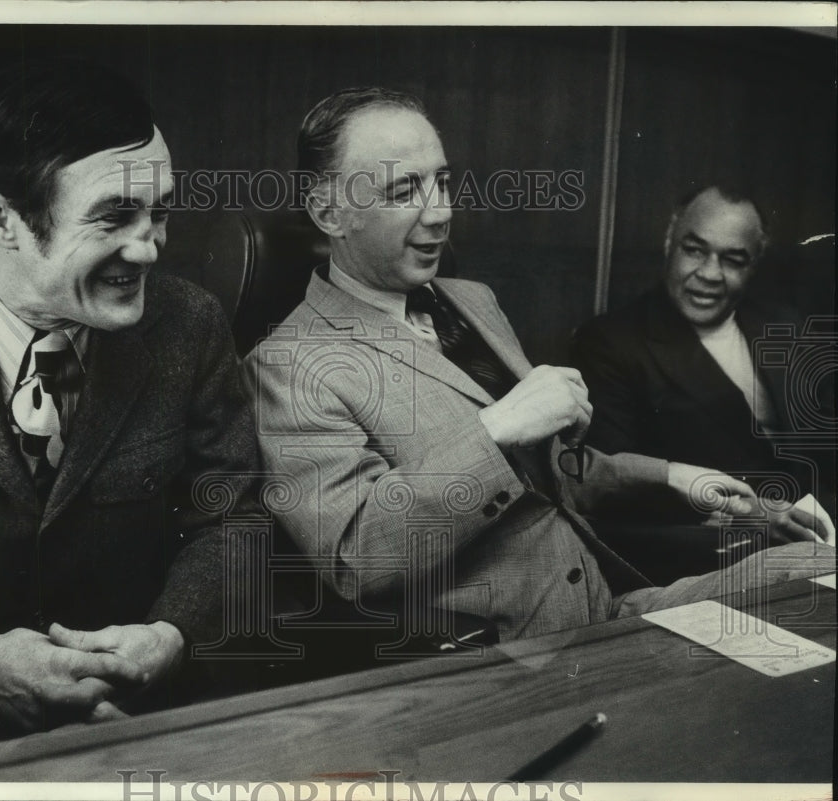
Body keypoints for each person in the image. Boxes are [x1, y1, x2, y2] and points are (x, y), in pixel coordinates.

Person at [243, 88, 834, 644]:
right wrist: (496, 428)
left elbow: (553, 473)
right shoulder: (288, 367)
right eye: (403, 192)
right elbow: (358, 557)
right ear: (328, 212)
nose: (440, 212)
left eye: (442, 182)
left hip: (612, 608)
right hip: (510, 658)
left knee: (822, 563)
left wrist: (677, 478)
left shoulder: (471, 300)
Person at [0, 59, 258, 766]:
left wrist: (172, 634)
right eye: (115, 216)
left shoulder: (191, 325)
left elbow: (235, 514)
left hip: (138, 737)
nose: (150, 246)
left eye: (160, 211)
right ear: (2, 219)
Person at [571, 185, 835, 524]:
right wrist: (742, 515)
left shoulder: (785, 324)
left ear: (753, 264)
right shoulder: (609, 343)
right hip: (709, 547)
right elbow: (607, 484)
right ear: (669, 243)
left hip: (818, 535)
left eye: (732, 260)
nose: (710, 274)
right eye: (695, 251)